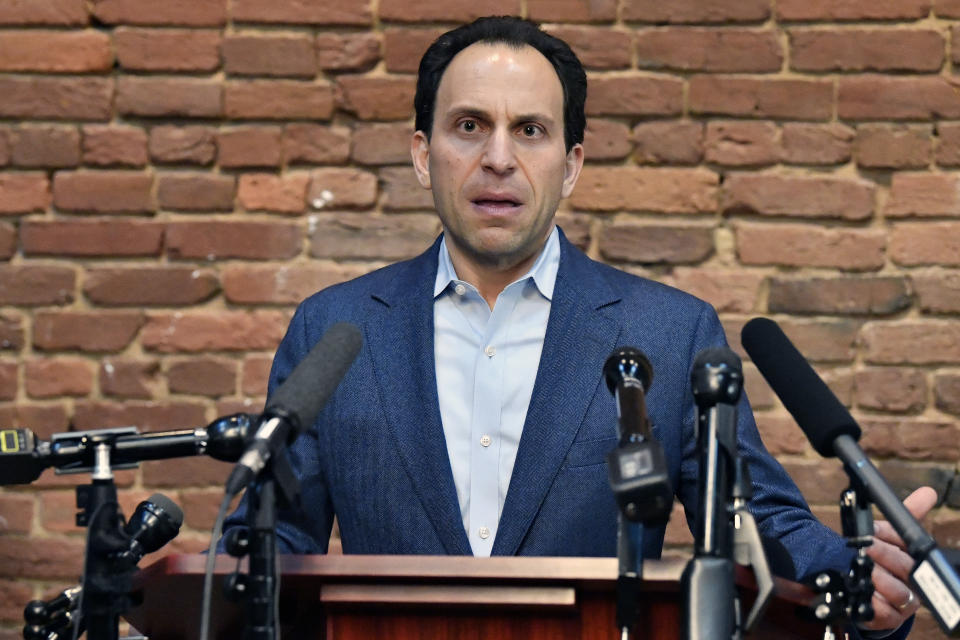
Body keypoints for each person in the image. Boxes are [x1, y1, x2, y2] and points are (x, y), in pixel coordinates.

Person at [225, 16, 935, 637]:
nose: (498, 158)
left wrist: (856, 576)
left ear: (569, 167)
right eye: (469, 126)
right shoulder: (335, 328)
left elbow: (757, 525)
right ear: (422, 154)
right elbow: (272, 540)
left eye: (529, 131)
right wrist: (193, 581)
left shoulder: (669, 332)